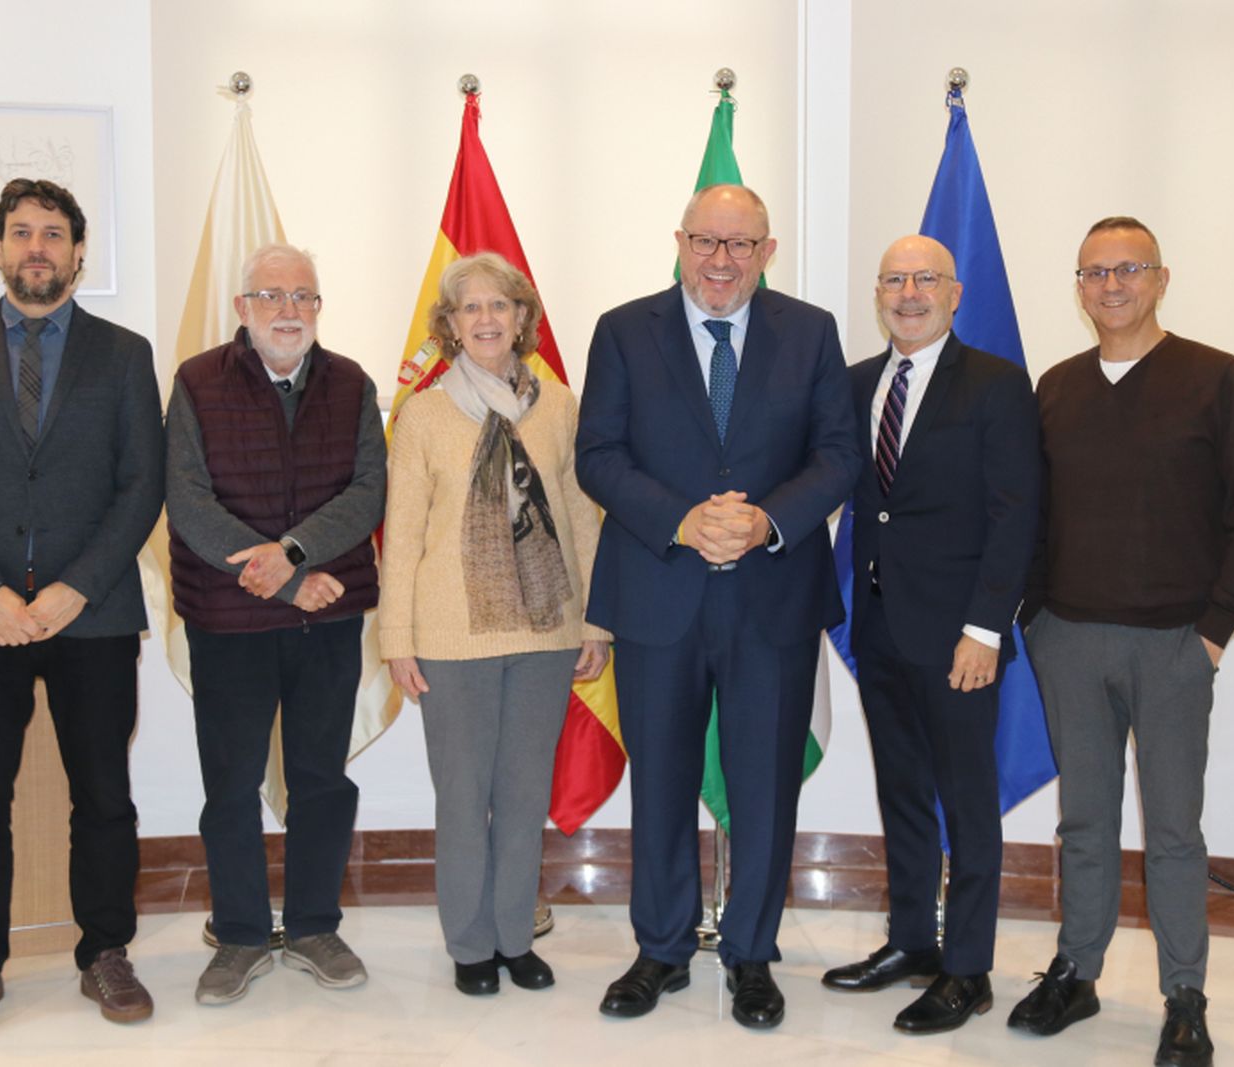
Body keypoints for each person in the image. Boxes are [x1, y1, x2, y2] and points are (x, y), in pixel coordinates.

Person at [576, 184, 859, 1030]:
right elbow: (598, 454)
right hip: (658, 594)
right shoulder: (625, 330)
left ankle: (751, 954)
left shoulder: (810, 333)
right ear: (680, 242)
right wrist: (681, 519)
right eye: (706, 241)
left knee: (765, 787)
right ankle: (660, 948)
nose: (721, 261)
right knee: (660, 778)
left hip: (772, 597)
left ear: (768, 252)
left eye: (741, 245)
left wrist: (766, 519)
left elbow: (839, 454)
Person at [1009, 217, 1234, 1067]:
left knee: (1173, 830)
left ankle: (1185, 996)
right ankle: (1077, 971)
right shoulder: (1054, 387)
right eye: (1094, 272)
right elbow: (1030, 515)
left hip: (1173, 648)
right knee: (1083, 821)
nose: (1111, 285)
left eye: (1128, 269)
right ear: (1079, 286)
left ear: (1162, 278)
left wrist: (1214, 629)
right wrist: (1036, 619)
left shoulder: (1216, 379)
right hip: (1070, 642)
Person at [0, 178, 164, 1039]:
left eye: (54, 233)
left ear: (79, 252)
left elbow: (141, 486)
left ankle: (106, 953)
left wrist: (74, 585)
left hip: (89, 614)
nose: (37, 247)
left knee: (105, 795)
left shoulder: (124, 355)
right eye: (22, 232)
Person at [820, 236, 1039, 1033]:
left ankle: (969, 968)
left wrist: (985, 628)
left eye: (925, 280)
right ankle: (912, 940)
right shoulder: (854, 385)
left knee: (968, 803)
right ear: (878, 293)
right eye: (894, 280)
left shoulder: (996, 384)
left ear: (954, 292)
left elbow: (1016, 516)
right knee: (903, 793)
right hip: (878, 631)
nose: (908, 292)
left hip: (960, 641)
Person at [380, 251, 610, 997]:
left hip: (545, 633)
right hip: (450, 638)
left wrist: (595, 623)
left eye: (499, 305)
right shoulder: (421, 413)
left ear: (521, 319)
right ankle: (471, 942)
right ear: (449, 326)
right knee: (462, 792)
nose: (485, 318)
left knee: (521, 793)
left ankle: (515, 935)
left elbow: (581, 516)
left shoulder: (560, 407)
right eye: (469, 308)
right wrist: (395, 640)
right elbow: (403, 530)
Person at [167, 242, 385, 1005]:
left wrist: (291, 557)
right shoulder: (196, 381)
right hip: (228, 618)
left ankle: (316, 924)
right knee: (229, 784)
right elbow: (189, 502)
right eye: (271, 295)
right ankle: (240, 934)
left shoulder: (353, 383)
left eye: (304, 296)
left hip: (327, 618)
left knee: (321, 779)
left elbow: (366, 494)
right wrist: (281, 579)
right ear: (242, 308)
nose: (288, 309)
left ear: (319, 307)